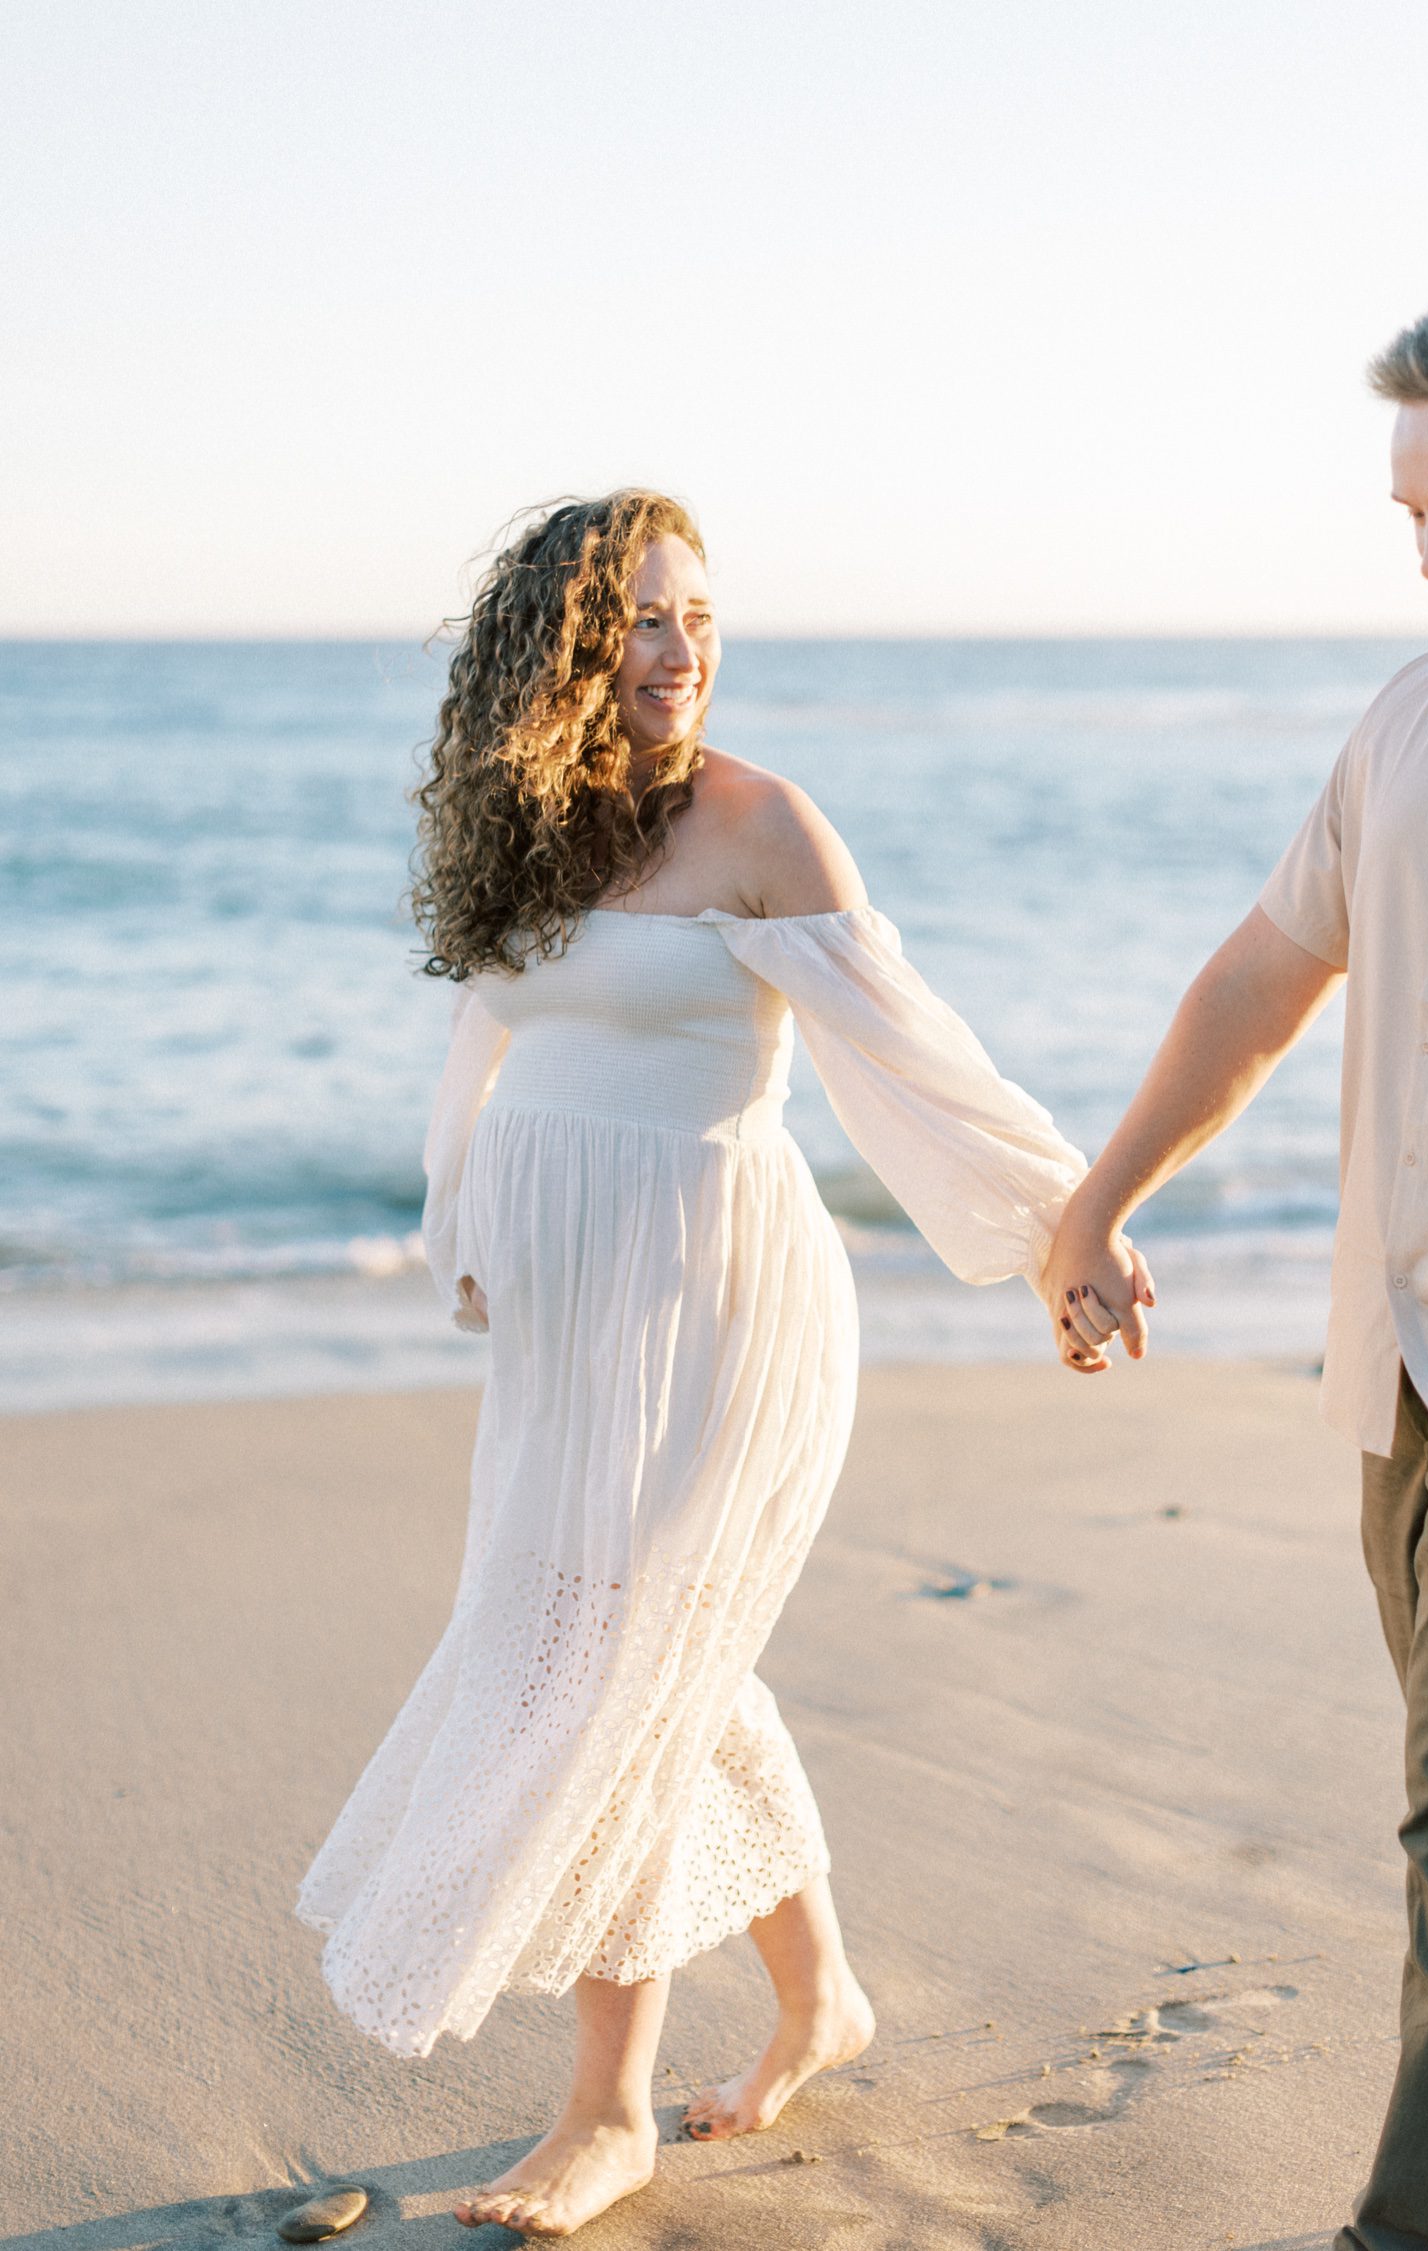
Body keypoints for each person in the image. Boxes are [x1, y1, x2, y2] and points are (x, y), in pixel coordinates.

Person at [296, 490, 1128, 2238]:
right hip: (572, 1318)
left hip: (725, 1311)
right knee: (657, 1652)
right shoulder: (526, 834)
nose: (680, 654)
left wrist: (1068, 1228)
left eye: (697, 618)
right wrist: (468, 1222)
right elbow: (486, 1029)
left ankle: (609, 2110)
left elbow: (920, 1057)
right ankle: (824, 1998)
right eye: (638, 624)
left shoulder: (761, 826)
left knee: (614, 1663)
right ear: (557, 654)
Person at [1042, 290, 1428, 2251]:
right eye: (1415, 513)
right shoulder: (1408, 717)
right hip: (1397, 1363)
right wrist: (1097, 1195)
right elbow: (1261, 976)